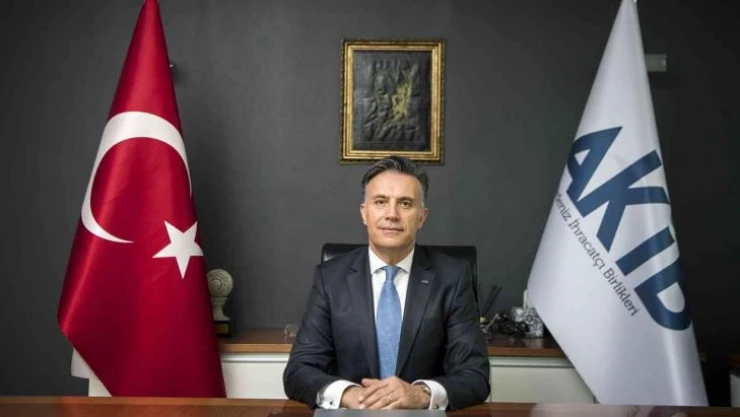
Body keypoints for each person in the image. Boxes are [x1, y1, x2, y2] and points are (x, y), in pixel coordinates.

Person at [283, 155, 490, 411]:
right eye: (381, 202)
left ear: (422, 217)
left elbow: (475, 376)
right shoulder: (330, 278)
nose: (392, 214)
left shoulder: (453, 278)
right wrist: (350, 394)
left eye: (405, 203)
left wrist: (421, 394)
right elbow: (299, 371)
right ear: (364, 213)